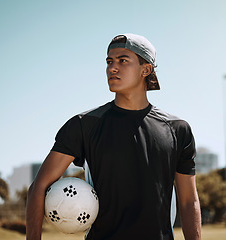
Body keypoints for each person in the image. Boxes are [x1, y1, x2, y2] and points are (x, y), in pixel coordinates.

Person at [26, 33, 201, 240]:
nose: (112, 68)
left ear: (146, 70)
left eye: (123, 61)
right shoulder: (84, 125)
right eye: (109, 61)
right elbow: (39, 187)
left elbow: (189, 200)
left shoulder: (177, 129)